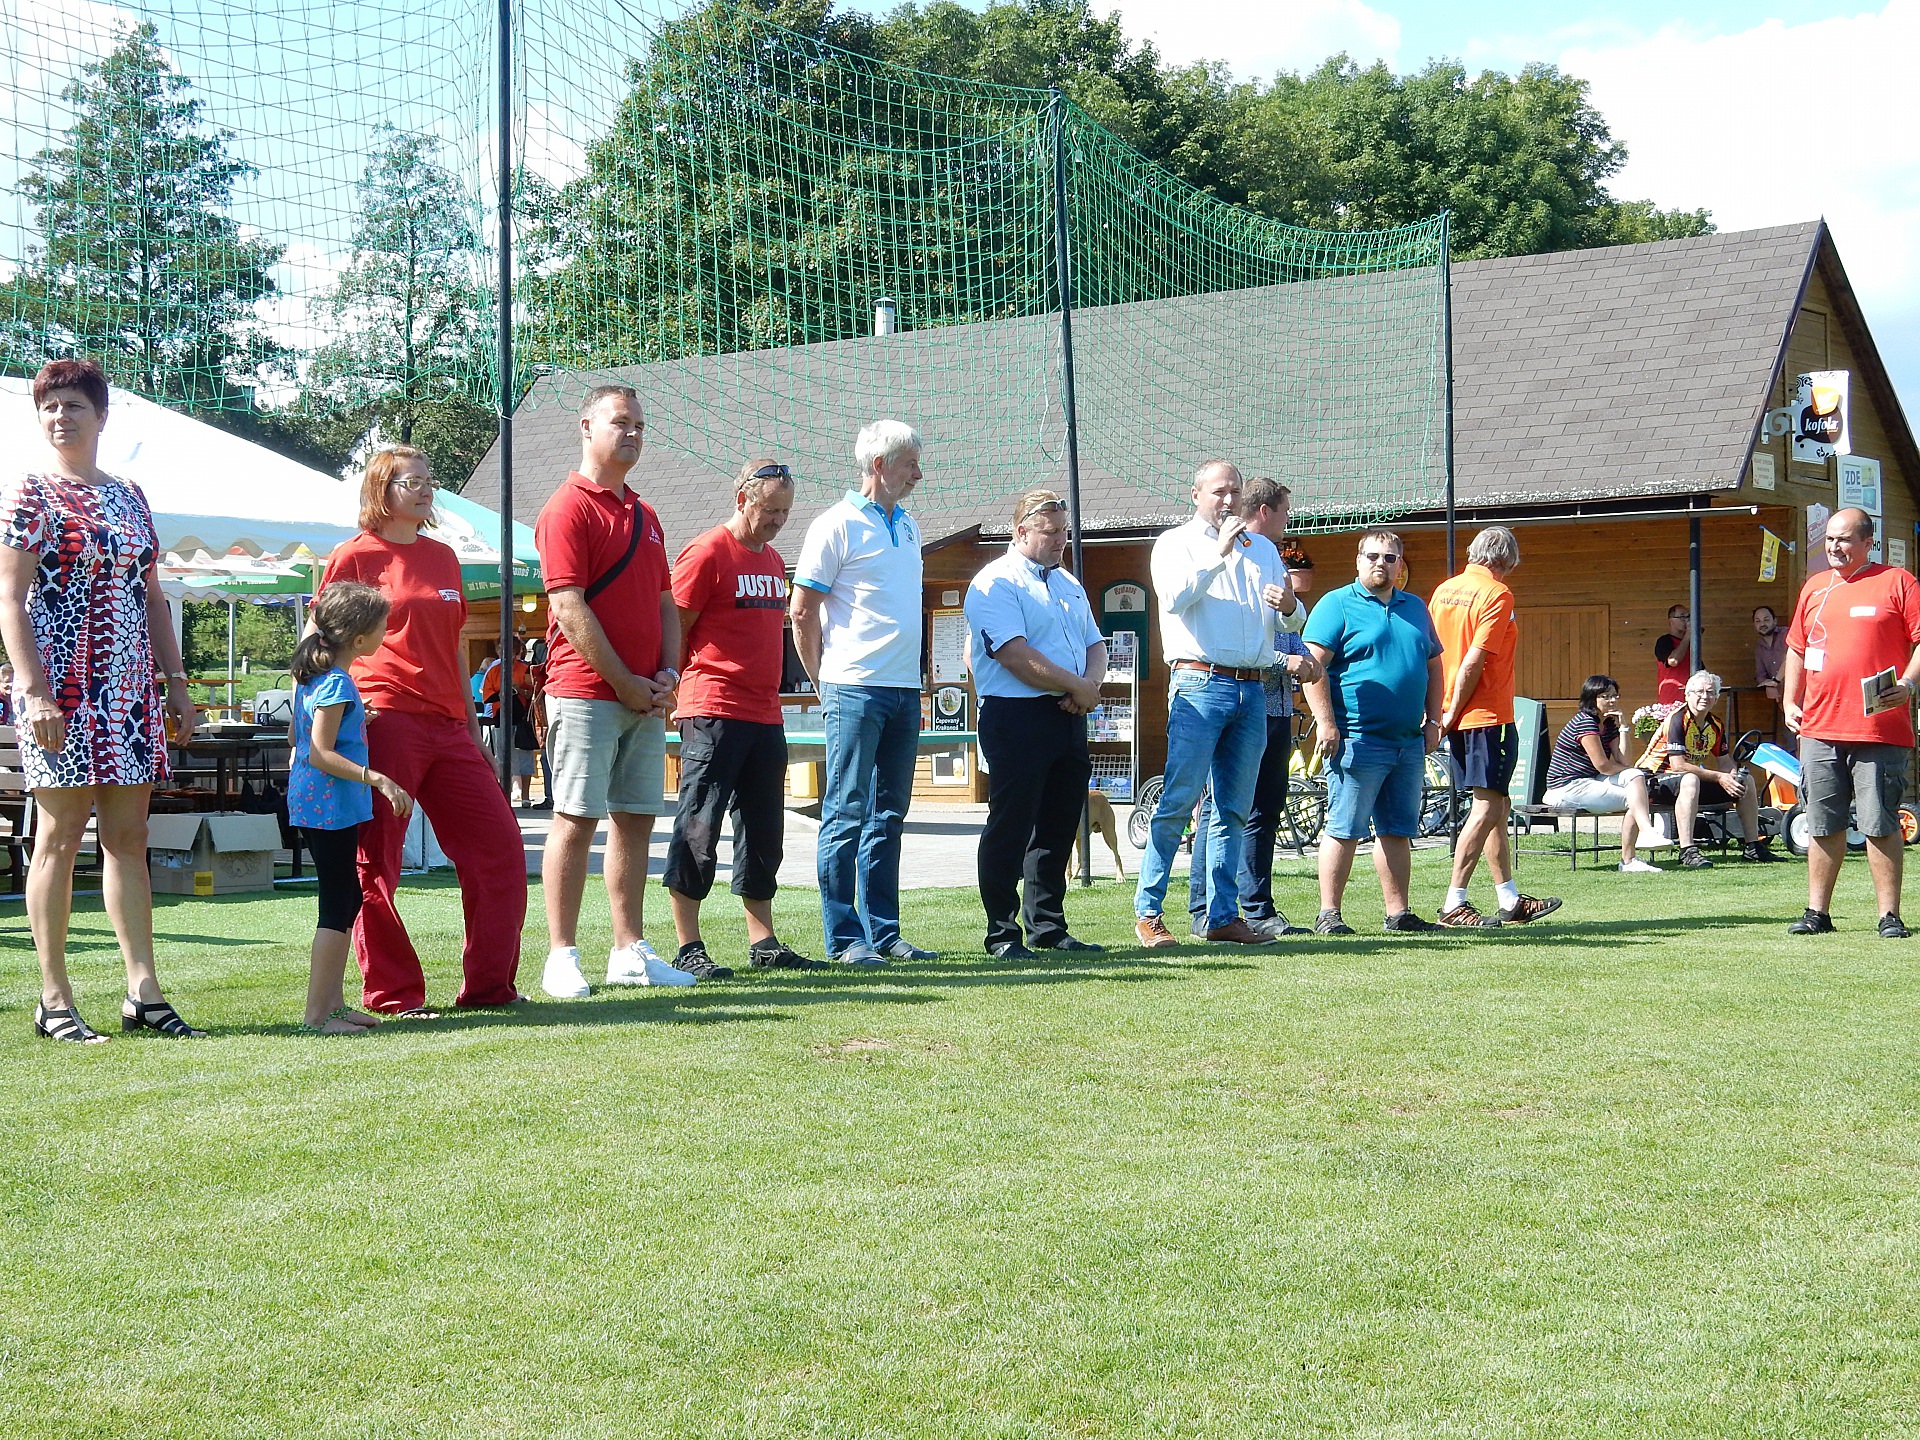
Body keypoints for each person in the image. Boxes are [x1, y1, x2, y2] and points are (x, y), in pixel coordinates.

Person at [0, 357, 203, 1043]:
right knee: (58, 837)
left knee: (128, 838)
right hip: (59, 688)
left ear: (102, 416)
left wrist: (176, 684)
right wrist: (32, 690)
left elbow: (152, 596)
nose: (61, 417)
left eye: (74, 406)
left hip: (129, 690)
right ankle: (54, 999)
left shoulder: (130, 495)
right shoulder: (30, 492)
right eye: (50, 407)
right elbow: (9, 599)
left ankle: (144, 992)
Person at [319, 446, 528, 1015]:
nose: (425, 489)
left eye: (428, 480)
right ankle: (394, 993)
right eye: (410, 481)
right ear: (380, 490)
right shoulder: (353, 556)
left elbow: (455, 647)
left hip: (451, 725)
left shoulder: (444, 557)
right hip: (384, 720)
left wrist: (474, 730)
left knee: (500, 850)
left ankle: (490, 988)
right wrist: (334, 712)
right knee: (376, 861)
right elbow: (321, 643)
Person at [536, 385, 696, 996]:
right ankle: (561, 955)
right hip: (584, 692)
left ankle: (629, 950)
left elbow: (666, 604)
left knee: (635, 820)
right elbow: (568, 607)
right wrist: (625, 682)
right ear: (586, 426)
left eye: (639, 426)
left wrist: (668, 675)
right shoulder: (566, 508)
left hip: (646, 697)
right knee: (575, 819)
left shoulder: (646, 515)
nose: (632, 434)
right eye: (620, 422)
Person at [1132, 460, 1302, 949]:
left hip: (1252, 688)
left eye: (1235, 492)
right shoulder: (1176, 544)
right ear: (1196, 495)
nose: (1228, 500)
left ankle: (1222, 917)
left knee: (1233, 809)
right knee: (1179, 801)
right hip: (1199, 683)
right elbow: (1174, 598)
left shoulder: (1263, 549)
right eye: (1219, 491)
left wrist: (1290, 607)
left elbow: (1291, 622)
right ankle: (1149, 913)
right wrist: (1218, 553)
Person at [663, 459, 822, 976]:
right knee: (699, 826)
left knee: (762, 831)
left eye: (785, 512)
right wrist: (671, 690)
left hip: (765, 714)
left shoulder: (774, 561)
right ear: (742, 501)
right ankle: (688, 946)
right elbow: (674, 625)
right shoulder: (707, 552)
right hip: (712, 709)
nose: (778, 520)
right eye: (770, 510)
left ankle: (764, 942)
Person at [790, 419, 939, 967]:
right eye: (910, 464)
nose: (918, 475)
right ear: (880, 466)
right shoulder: (835, 524)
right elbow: (801, 611)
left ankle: (885, 933)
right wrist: (824, 682)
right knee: (846, 811)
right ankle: (845, 938)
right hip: (853, 688)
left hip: (903, 690)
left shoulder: (910, 527)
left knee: (889, 814)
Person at [966, 488, 1108, 959]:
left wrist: (1087, 686)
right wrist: (1079, 686)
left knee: (1058, 824)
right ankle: (1002, 933)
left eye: (1064, 531)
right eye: (1050, 532)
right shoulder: (996, 582)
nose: (1060, 540)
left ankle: (1047, 926)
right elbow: (1014, 655)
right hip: (1016, 714)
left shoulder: (1068, 583)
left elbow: (1094, 644)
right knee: (1012, 824)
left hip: (1068, 712)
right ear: (1021, 530)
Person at [1184, 478, 1321, 939]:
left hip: (1273, 704)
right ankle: (1208, 909)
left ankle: (1255, 907)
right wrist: (1287, 660)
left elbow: (1286, 625)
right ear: (1264, 511)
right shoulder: (1218, 552)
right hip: (1231, 695)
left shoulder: (1268, 557)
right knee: (1220, 808)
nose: (1289, 522)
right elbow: (1234, 641)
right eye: (1285, 512)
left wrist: (1297, 626)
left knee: (1261, 809)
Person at [1782, 507, 1920, 937]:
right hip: (1820, 727)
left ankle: (1889, 916)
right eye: (1829, 539)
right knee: (1822, 821)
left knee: (1879, 821)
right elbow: (1797, 649)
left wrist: (1909, 685)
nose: (1834, 547)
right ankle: (1817, 913)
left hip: (1878, 728)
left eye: (1843, 539)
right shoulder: (1815, 587)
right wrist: (1788, 701)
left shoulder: (1898, 582)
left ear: (1867, 543)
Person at [1300, 529, 1444, 935]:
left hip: (1407, 742)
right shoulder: (1337, 604)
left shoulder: (1415, 607)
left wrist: (1434, 720)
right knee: (1344, 829)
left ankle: (1399, 913)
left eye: (1390, 557)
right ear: (1358, 561)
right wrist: (1327, 724)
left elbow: (1434, 665)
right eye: (1373, 556)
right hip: (1356, 740)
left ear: (1400, 565)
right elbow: (1312, 667)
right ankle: (1329, 914)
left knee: (1398, 830)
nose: (1381, 563)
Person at [287, 581, 412, 1035]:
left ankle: (334, 1006)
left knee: (347, 898)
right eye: (382, 627)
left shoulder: (318, 677)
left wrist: (356, 719)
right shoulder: (337, 682)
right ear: (359, 640)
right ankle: (317, 1015)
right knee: (337, 901)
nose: (386, 633)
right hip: (328, 807)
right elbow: (320, 753)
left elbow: (297, 735)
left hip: (321, 804)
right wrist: (378, 778)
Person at [1430, 527, 1561, 927]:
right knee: (1487, 806)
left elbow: (1433, 654)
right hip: (1486, 714)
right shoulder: (1497, 594)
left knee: (1497, 806)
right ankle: (1454, 902)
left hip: (1455, 712)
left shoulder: (1444, 591)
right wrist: (1452, 710)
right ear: (1507, 560)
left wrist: (1441, 709)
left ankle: (1510, 899)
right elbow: (1475, 659)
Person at [1634, 669, 1775, 869]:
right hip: (1653, 781)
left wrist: (1732, 776)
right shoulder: (1678, 719)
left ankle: (1753, 846)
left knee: (1746, 781)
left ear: (1716, 698)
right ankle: (1687, 850)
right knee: (1690, 779)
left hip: (1686, 784)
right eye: (1699, 692)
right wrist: (1719, 777)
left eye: (1710, 692)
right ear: (1687, 695)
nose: (1704, 696)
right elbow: (1678, 765)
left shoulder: (1715, 724)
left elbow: (1724, 761)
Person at [1541, 675, 1662, 872]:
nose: (1612, 700)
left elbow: (1624, 761)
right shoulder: (1585, 722)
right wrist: (1633, 770)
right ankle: (1631, 856)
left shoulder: (1608, 724)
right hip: (1565, 787)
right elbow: (1603, 766)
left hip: (1589, 780)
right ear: (1592, 698)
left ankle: (1644, 839)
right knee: (1634, 798)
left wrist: (1624, 727)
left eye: (1615, 695)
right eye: (1606, 696)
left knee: (1635, 779)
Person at [1654, 605, 1691, 705]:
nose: (1686, 620)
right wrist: (1688, 636)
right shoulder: (1664, 641)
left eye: (1688, 617)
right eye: (1682, 617)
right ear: (1671, 620)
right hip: (1671, 700)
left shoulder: (1689, 645)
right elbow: (1673, 661)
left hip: (1690, 700)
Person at [1754, 605, 1787, 705]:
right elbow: (1760, 675)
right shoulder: (1759, 647)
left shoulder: (1786, 634)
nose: (1762, 624)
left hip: (1802, 694)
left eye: (1766, 620)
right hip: (1781, 699)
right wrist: (1767, 684)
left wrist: (1776, 681)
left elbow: (1791, 659)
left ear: (1775, 621)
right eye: (1758, 621)